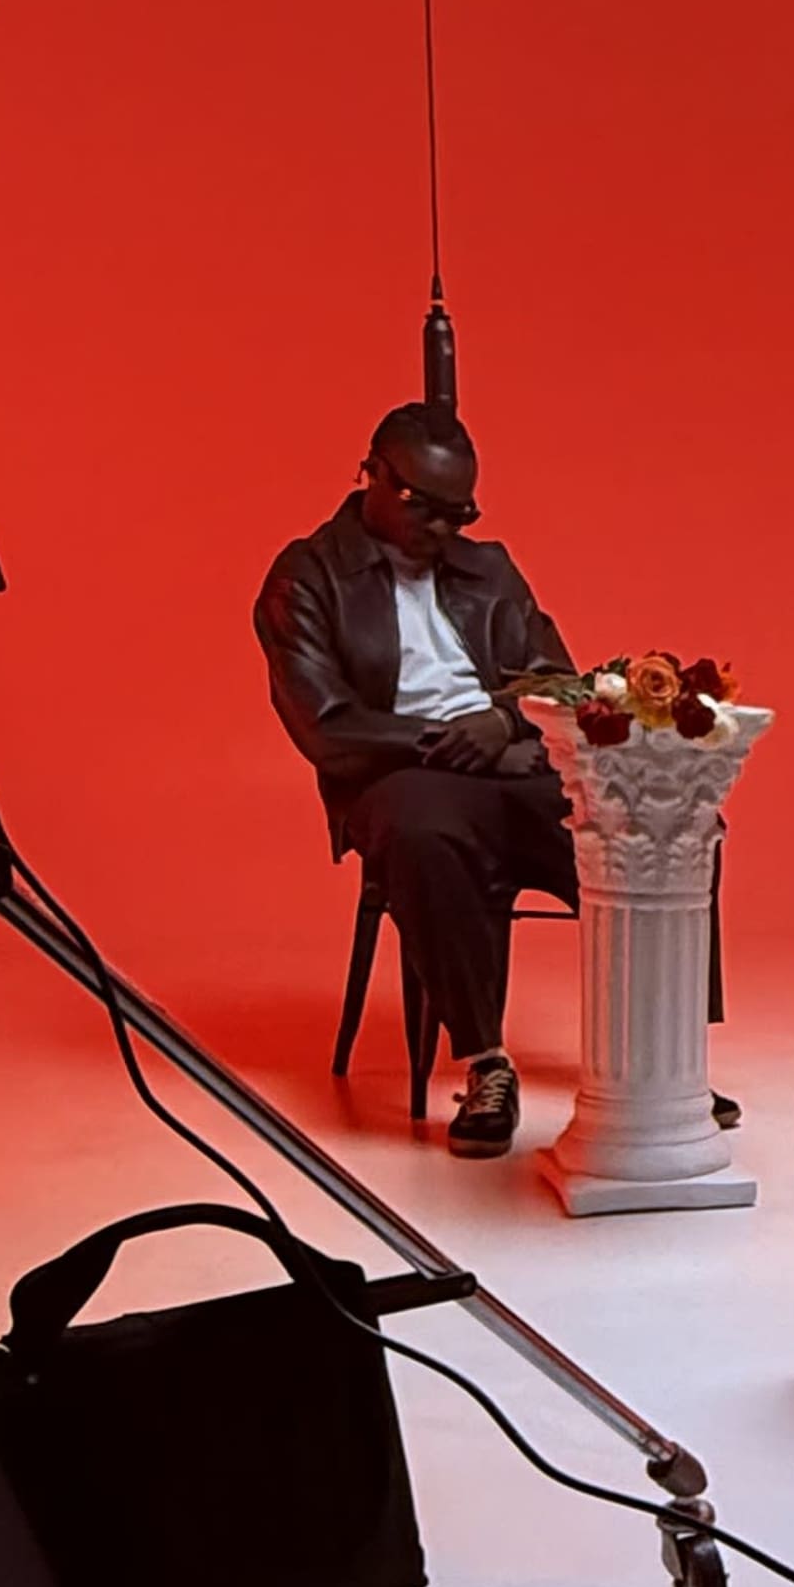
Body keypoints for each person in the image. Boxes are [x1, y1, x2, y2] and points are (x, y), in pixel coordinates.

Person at [255, 400, 572, 1157]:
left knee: (652, 822)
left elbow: (561, 681)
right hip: (394, 770)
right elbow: (326, 725)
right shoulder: (307, 576)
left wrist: (503, 723)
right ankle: (485, 1064)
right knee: (423, 832)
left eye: (460, 513)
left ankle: (661, 1062)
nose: (445, 530)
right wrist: (456, 745)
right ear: (372, 473)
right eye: (426, 509)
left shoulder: (488, 567)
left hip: (510, 755)